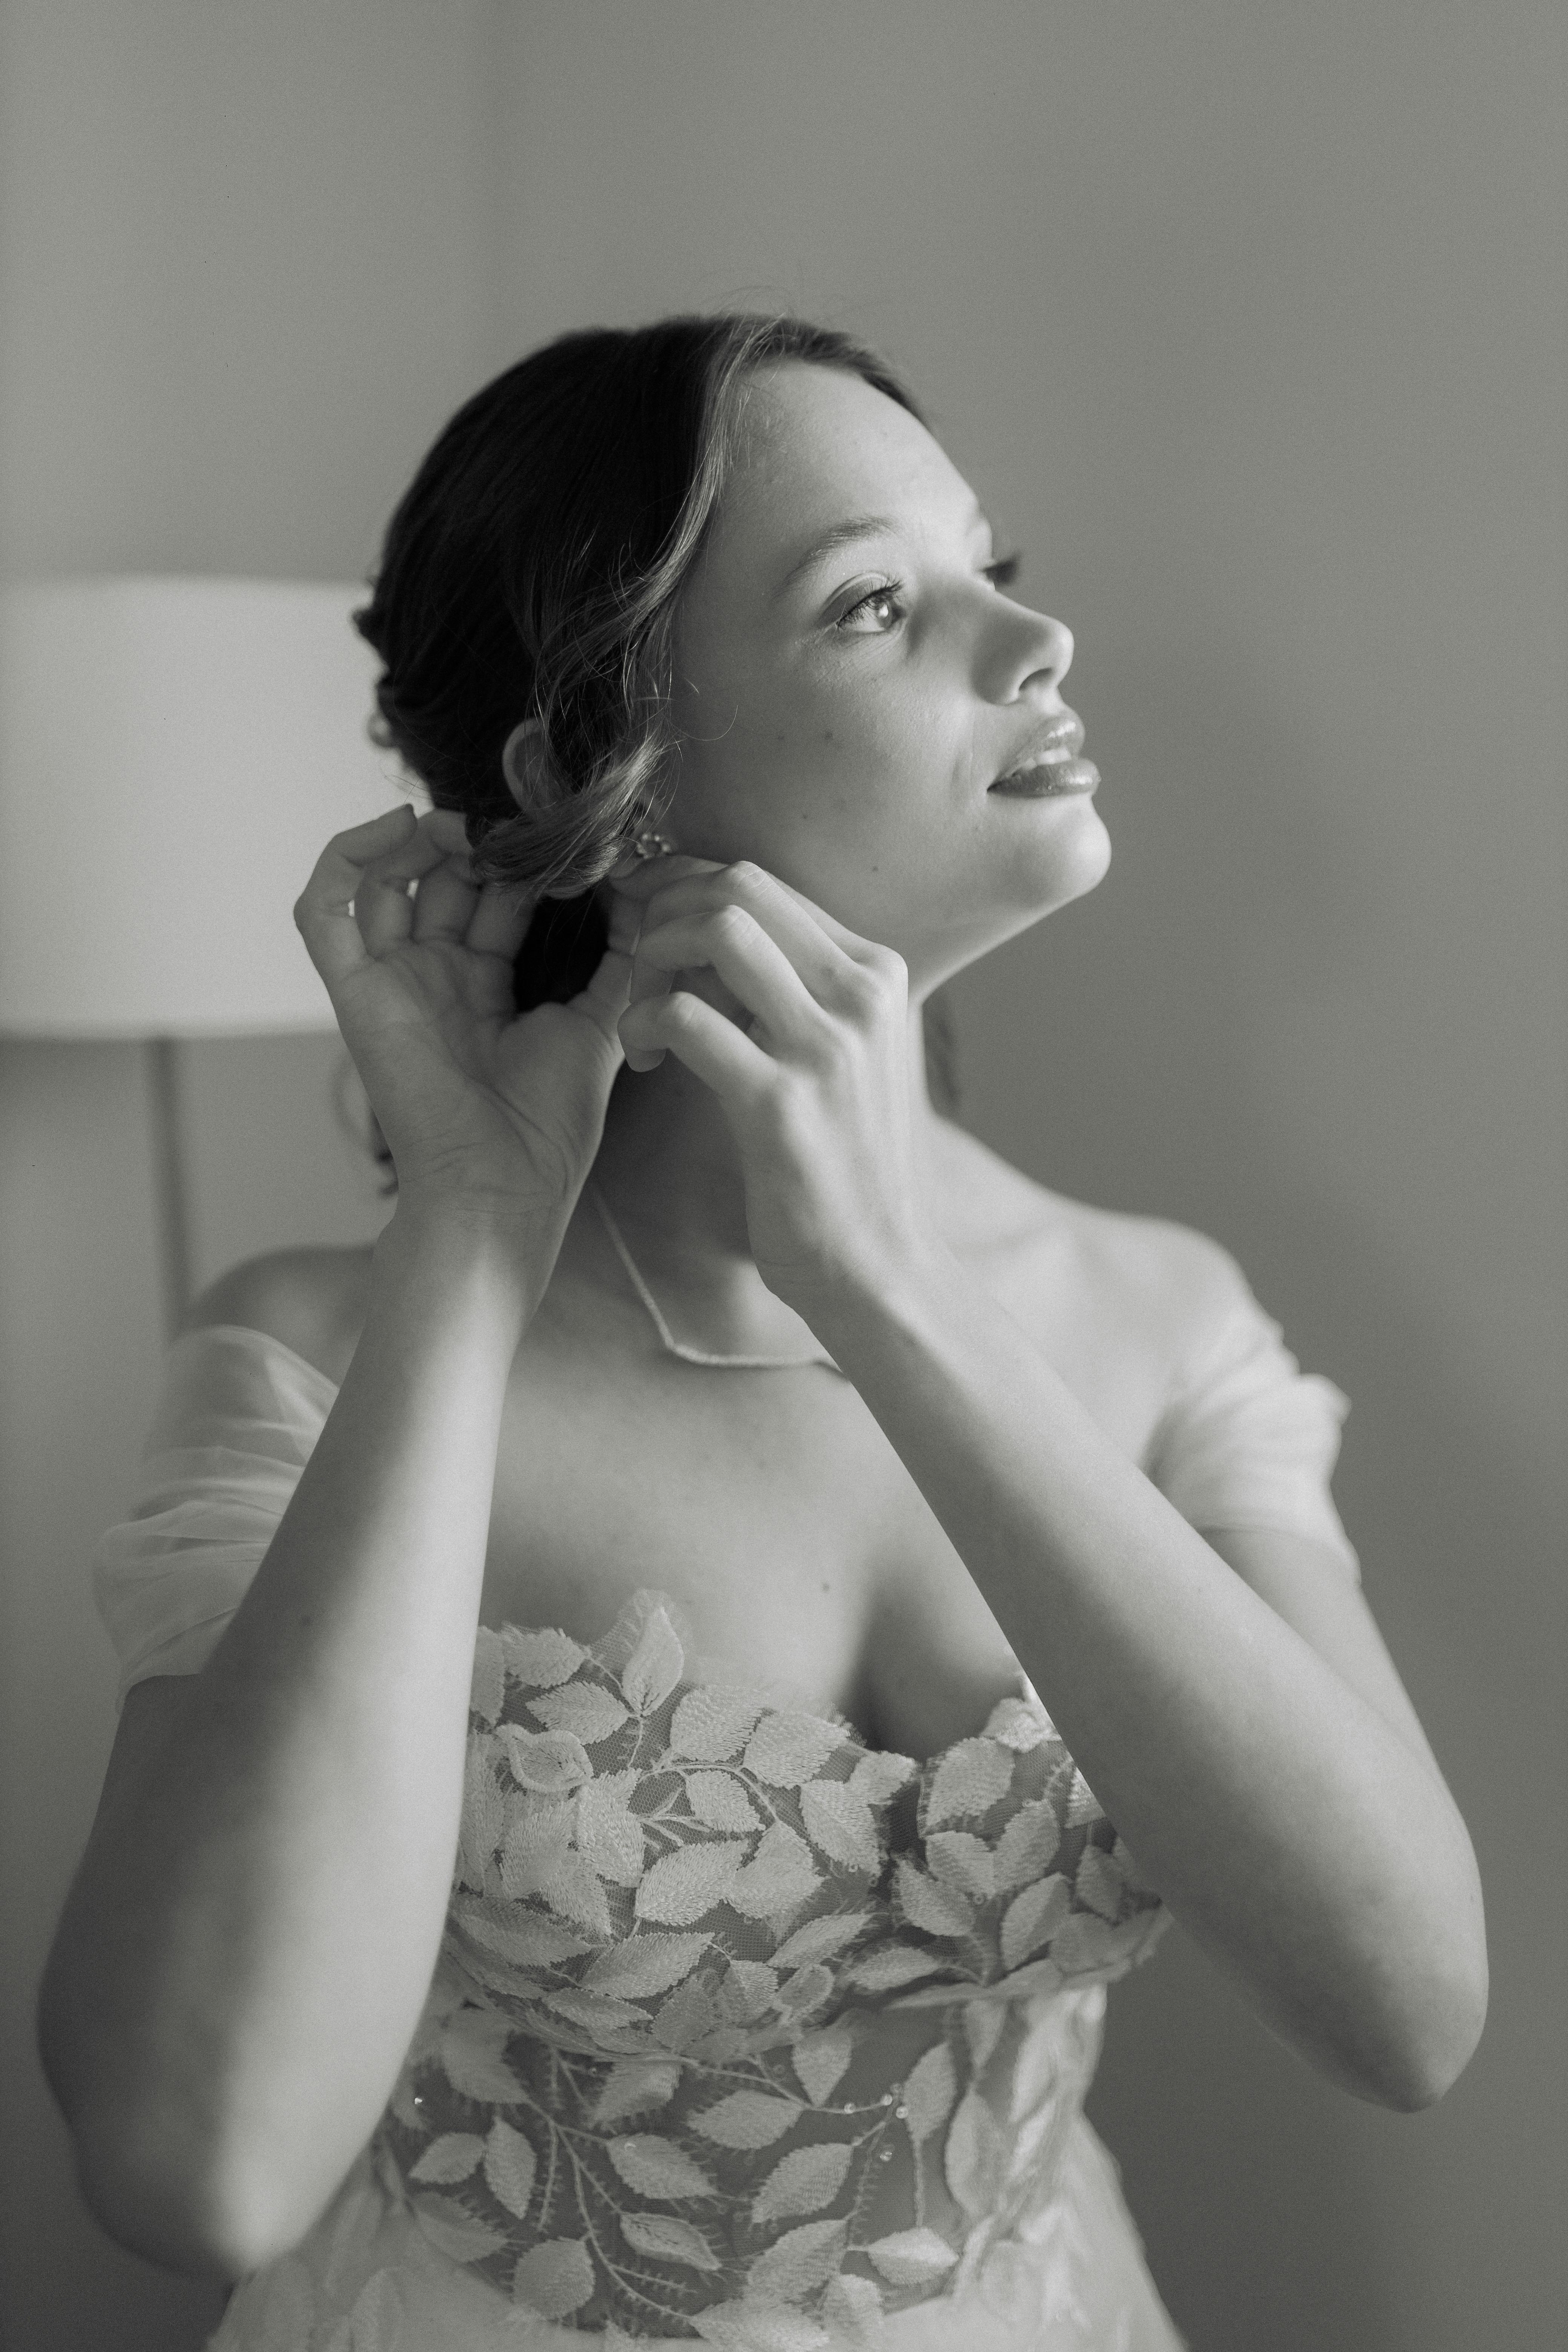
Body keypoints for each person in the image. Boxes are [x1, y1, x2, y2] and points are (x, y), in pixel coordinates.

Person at [39, 315, 1487, 2351]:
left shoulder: (1162, 1316)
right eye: (880, 604)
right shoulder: (307, 1362)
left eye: (995, 557)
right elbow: (203, 2166)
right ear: (602, 781)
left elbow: (1411, 2012)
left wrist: (885, 1285)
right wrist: (471, 1232)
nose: (1035, 635)